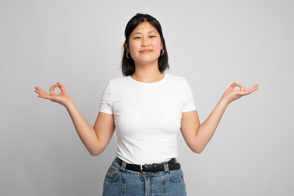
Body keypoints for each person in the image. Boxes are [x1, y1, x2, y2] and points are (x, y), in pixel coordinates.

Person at [34, 13, 259, 196]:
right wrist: (69, 104)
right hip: (122, 183)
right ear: (127, 48)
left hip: (169, 183)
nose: (145, 42)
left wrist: (225, 101)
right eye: (137, 37)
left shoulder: (180, 85)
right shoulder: (114, 88)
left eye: (152, 36)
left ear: (161, 46)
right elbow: (96, 146)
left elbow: (197, 143)